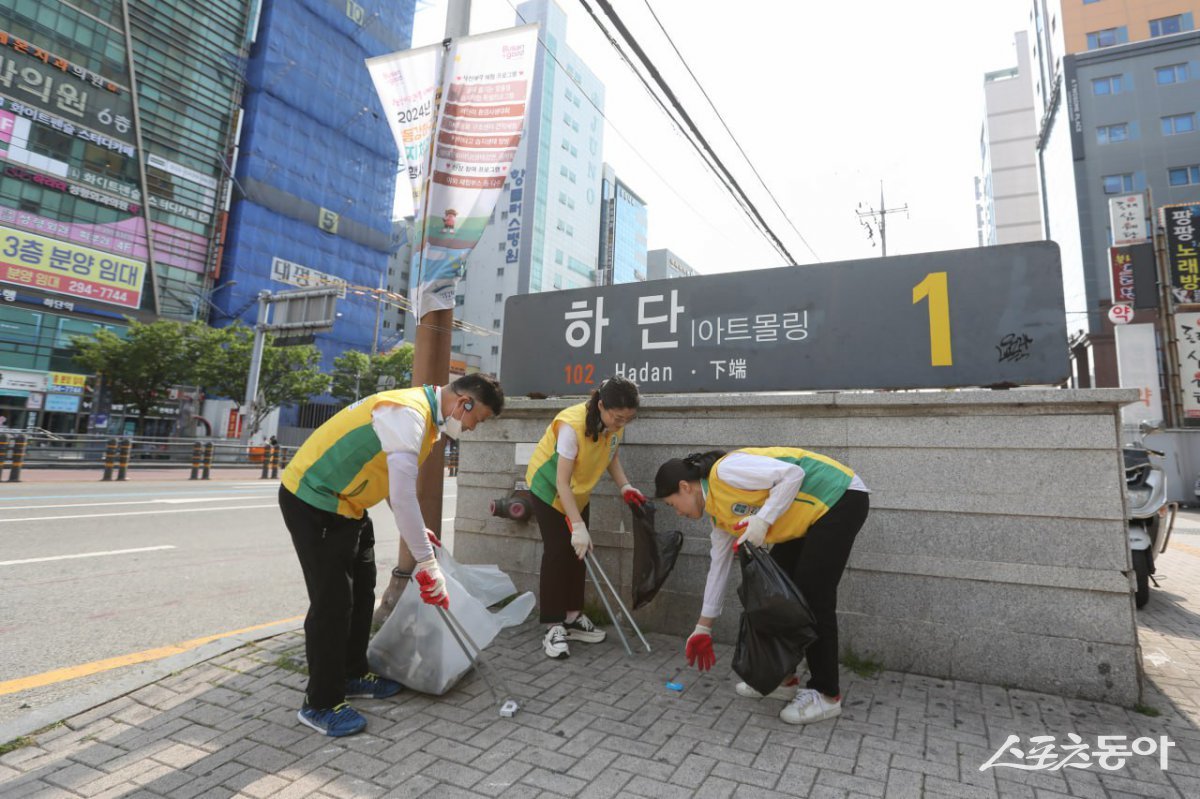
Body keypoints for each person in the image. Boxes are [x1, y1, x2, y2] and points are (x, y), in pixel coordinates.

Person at [279, 373, 504, 736]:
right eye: (479, 419)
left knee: (362, 591)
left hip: (349, 507)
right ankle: (320, 703)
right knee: (332, 605)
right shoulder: (408, 414)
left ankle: (352, 673)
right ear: (465, 402)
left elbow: (386, 478)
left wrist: (417, 532)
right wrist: (428, 564)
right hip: (314, 501)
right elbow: (402, 496)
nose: (475, 428)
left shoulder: (425, 419)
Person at [653, 447, 869, 725]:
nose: (678, 514)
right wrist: (703, 627)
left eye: (673, 505)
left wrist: (763, 519)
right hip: (803, 516)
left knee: (814, 596)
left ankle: (826, 695)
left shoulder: (725, 472)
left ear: (685, 487)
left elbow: (792, 474)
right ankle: (781, 677)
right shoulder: (719, 518)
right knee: (772, 596)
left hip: (840, 496)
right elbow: (717, 569)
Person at [525, 376, 647, 659]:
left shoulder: (615, 423)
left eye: (628, 419)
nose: (621, 424)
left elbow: (611, 455)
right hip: (548, 489)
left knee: (580, 553)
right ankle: (553, 627)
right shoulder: (572, 425)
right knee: (558, 553)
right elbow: (561, 482)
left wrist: (625, 486)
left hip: (577, 493)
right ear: (601, 405)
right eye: (617, 418)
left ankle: (572, 617)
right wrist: (577, 525)